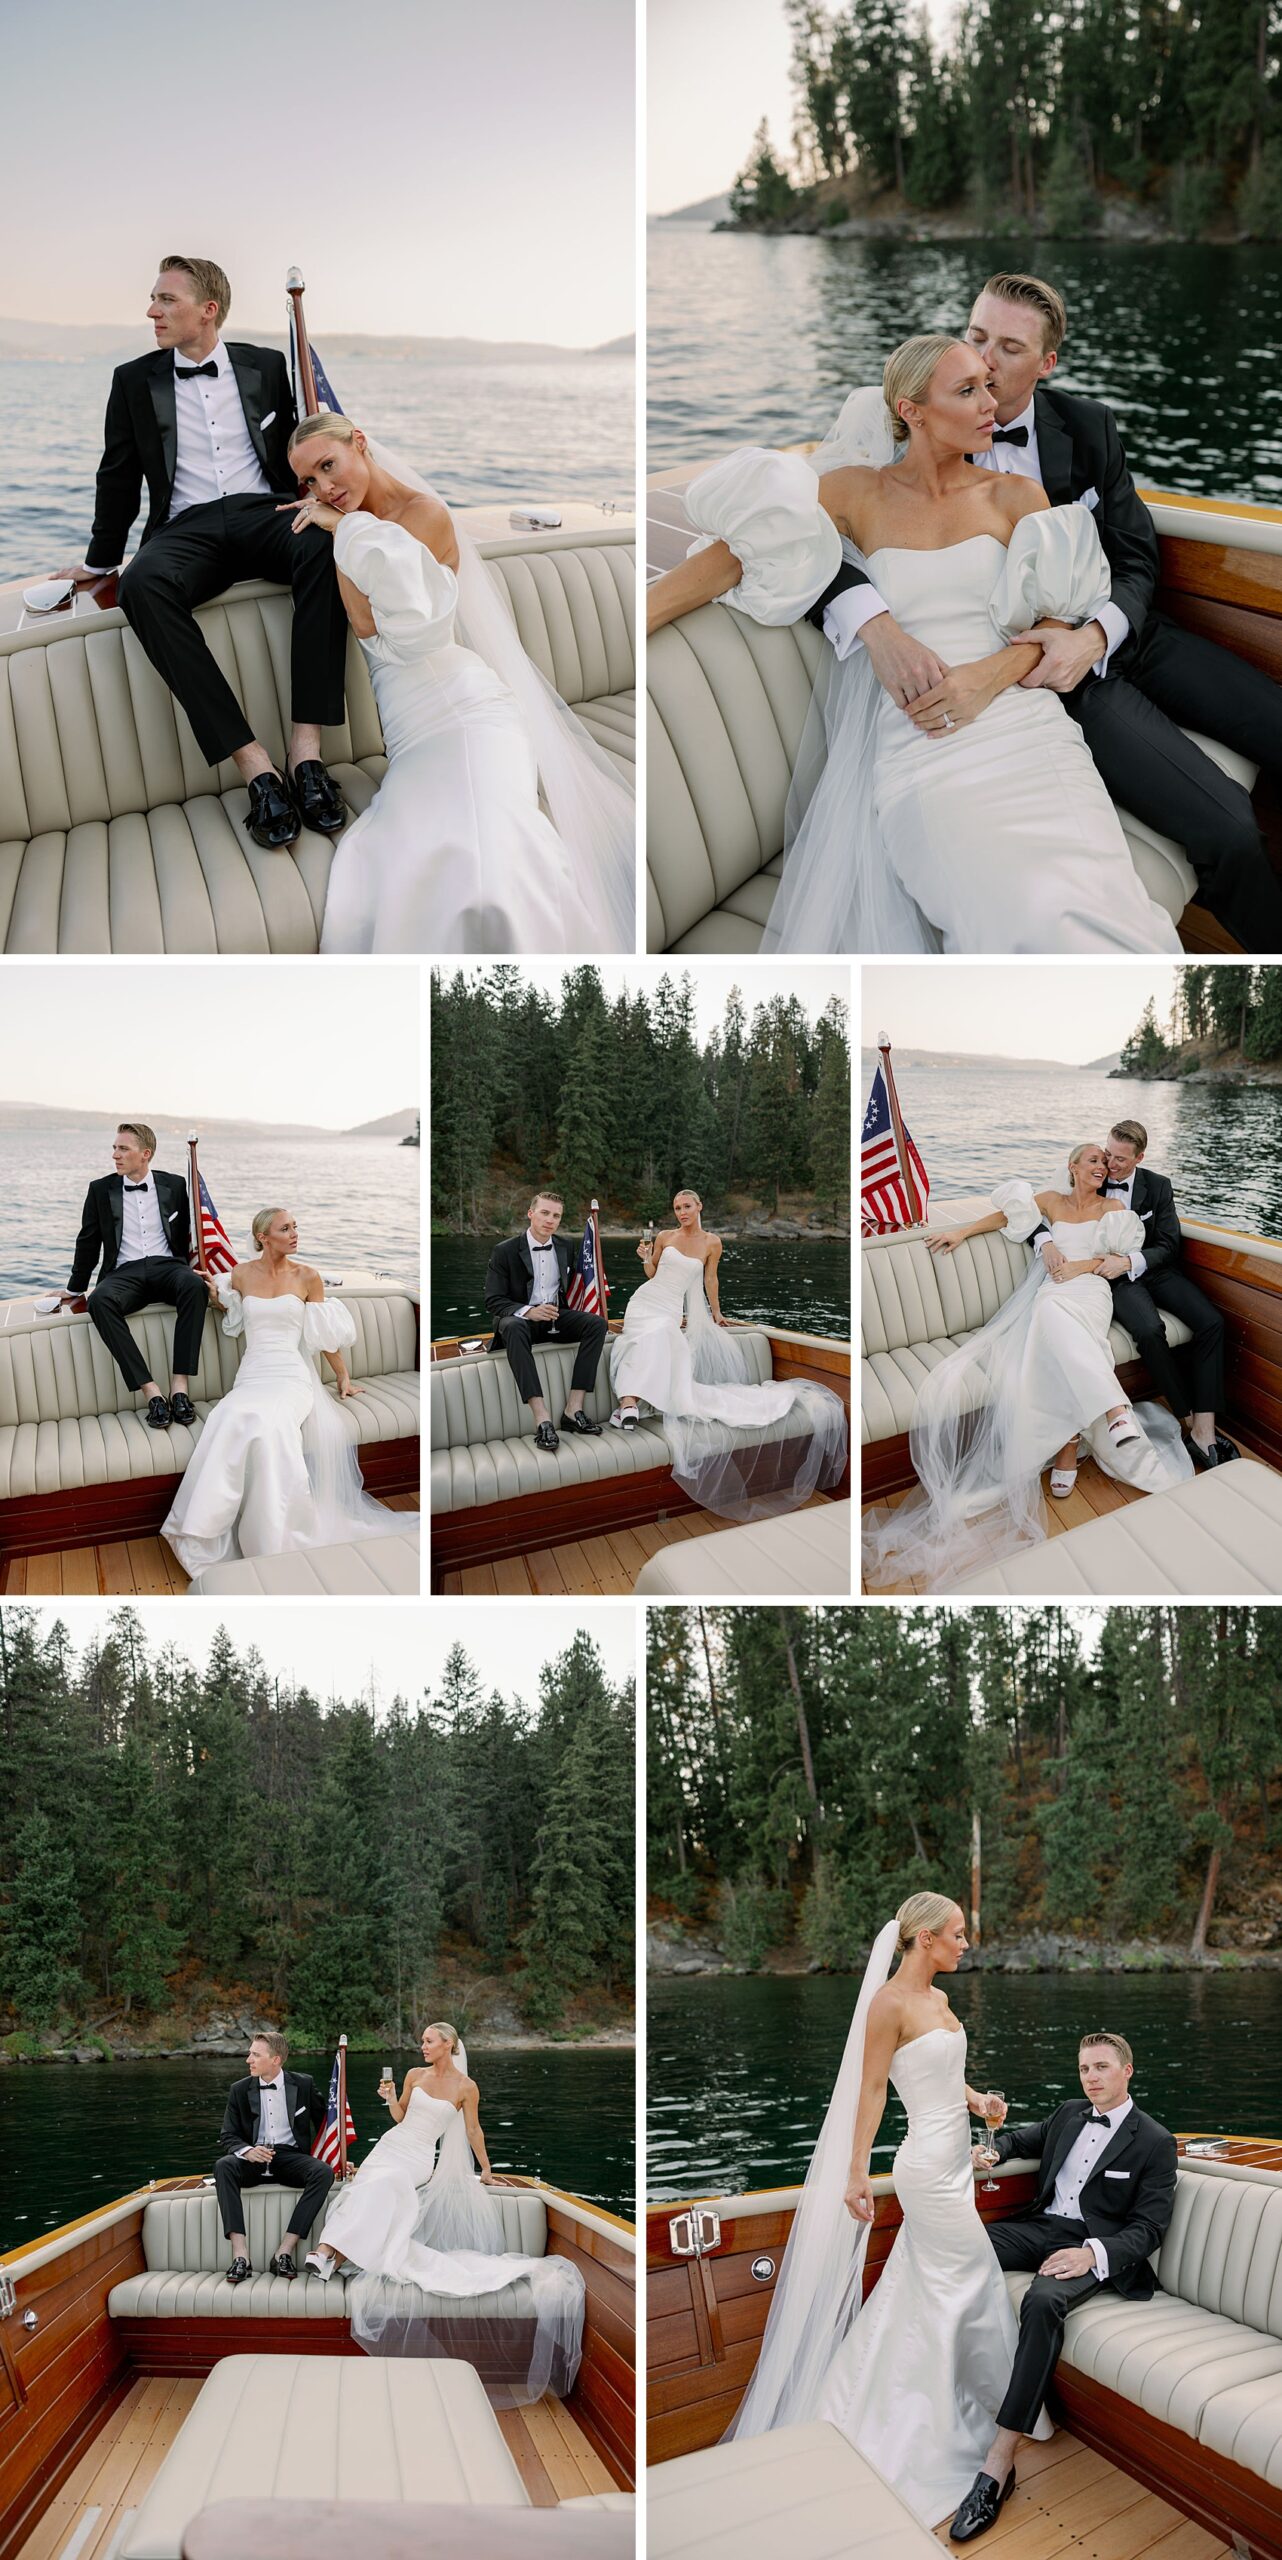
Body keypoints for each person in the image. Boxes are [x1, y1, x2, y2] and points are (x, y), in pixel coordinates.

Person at [647, 336, 1181, 957]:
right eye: (968, 391)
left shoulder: (1015, 496)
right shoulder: (854, 493)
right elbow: (741, 554)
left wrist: (985, 678)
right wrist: (643, 617)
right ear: (912, 411)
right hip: (925, 740)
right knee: (1015, 915)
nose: (991, 402)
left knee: (1106, 903)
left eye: (988, 385)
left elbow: (1056, 626)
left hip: (1028, 733)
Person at [813, 274, 1282, 955]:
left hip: (1122, 632)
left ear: (1046, 363)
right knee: (1229, 829)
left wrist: (1097, 634)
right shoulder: (904, 434)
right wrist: (875, 625)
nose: (985, 360)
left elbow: (1135, 556)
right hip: (1051, 681)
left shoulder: (1088, 426)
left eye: (1009, 348)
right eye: (976, 337)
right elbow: (806, 550)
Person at [725, 1893, 1052, 2529]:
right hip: (925, 2169)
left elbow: (941, 2076)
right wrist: (856, 2173)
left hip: (957, 2163)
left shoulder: (941, 2000)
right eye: (958, 1934)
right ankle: (965, 2427)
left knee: (933, 2287)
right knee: (974, 2277)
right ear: (926, 1938)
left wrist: (977, 2101)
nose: (966, 1944)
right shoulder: (887, 2004)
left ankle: (972, 2406)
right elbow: (872, 2090)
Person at [280, 413, 635, 953]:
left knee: (489, 862)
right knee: (411, 856)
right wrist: (345, 530)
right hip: (410, 735)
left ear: (359, 443)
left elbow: (386, 633)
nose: (323, 489)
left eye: (328, 466)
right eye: (309, 481)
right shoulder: (355, 530)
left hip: (467, 712)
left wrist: (345, 529)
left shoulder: (422, 516)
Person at [75, 257, 349, 850]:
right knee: (142, 584)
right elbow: (117, 475)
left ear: (208, 310)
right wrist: (99, 563)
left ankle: (306, 754)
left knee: (324, 547)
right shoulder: (132, 380)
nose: (151, 311)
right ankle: (255, 766)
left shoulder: (267, 365)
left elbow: (302, 446)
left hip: (264, 512)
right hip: (186, 527)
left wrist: (327, 500)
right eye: (154, 299)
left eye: (166, 300)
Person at [863, 1142, 1192, 1591]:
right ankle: (1107, 1416)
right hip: (1053, 1293)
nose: (1102, 1166)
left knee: (1061, 1328)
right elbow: (1004, 1216)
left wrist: (1081, 1266)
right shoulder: (1050, 1202)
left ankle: (1084, 1434)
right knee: (1052, 1316)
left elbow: (1115, 1263)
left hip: (1091, 1292)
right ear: (1072, 1167)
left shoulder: (1114, 1209)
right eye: (1093, 1160)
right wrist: (963, 1233)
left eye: (1104, 1162)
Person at [950, 2031, 1177, 2541]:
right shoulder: (1069, 2113)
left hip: (1095, 2247)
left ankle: (1000, 2460)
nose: (1091, 2078)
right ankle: (946, 2390)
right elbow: (1017, 2141)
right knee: (957, 2247)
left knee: (1042, 2300)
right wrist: (987, 2151)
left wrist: (1091, 2254)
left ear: (1127, 2071)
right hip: (1041, 2227)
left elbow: (1149, 2229)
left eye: (1101, 2067)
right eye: (1084, 2069)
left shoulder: (1155, 2141)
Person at [303, 2022, 585, 2399]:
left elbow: (473, 2131)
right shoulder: (414, 2075)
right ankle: (330, 2258)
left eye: (428, 2040)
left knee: (384, 2184)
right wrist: (390, 2097)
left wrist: (486, 2170)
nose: (422, 2046)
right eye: (422, 2041)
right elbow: (401, 2117)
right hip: (390, 2147)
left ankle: (327, 2252)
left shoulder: (466, 2087)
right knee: (370, 2185)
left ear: (447, 2044)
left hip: (418, 2158)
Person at [160, 1206, 403, 1577]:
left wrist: (343, 1377)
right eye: (285, 1228)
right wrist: (215, 1294)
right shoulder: (241, 1274)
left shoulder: (308, 1277)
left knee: (270, 1425)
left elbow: (323, 1337)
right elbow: (232, 1311)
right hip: (253, 1373)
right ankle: (206, 1530)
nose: (294, 1234)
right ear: (263, 1237)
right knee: (229, 1416)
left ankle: (276, 1535)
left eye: (295, 1227)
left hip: (291, 1375)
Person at [609, 1188, 847, 1517]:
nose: (682, 1212)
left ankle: (628, 1404)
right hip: (645, 1302)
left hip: (669, 1309)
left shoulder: (712, 1243)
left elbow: (710, 1280)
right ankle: (629, 1404)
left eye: (687, 1206)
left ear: (699, 1206)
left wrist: (717, 1313)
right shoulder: (664, 1237)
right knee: (653, 1335)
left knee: (663, 1334)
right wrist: (645, 1258)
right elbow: (652, 1274)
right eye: (677, 1208)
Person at [1053, 1119, 1236, 1475]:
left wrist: (1130, 1261)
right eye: (1108, 1154)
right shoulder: (1093, 1178)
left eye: (1120, 1159)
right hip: (1116, 1280)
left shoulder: (1158, 1185)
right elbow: (1054, 1211)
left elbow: (1169, 1244)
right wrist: (1047, 1243)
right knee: (1150, 1331)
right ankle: (1187, 1418)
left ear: (1139, 1158)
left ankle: (1205, 1427)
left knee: (1212, 1322)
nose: (1110, 1164)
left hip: (1155, 1269)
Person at [64, 1122, 214, 1430]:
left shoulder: (175, 1185)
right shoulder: (100, 1189)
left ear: (145, 1154)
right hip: (124, 1272)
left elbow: (191, 1232)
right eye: (114, 1148)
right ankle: (152, 1392)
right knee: (100, 1301)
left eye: (123, 1149)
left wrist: (204, 1270)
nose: (115, 1155)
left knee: (194, 1286)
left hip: (167, 1266)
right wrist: (75, 1288)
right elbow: (88, 1241)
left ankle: (180, 1387)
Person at [485, 1192, 609, 1453]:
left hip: (554, 1318)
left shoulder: (565, 1246)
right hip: (519, 1321)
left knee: (596, 1324)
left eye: (556, 1215)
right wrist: (529, 1311)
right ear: (531, 1213)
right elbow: (493, 1300)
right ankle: (542, 1419)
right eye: (544, 1213)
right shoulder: (504, 1250)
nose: (550, 1220)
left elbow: (570, 1288)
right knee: (514, 1326)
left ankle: (573, 1409)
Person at [214, 2029, 332, 2283]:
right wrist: (248, 2151)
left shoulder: (303, 2084)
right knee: (224, 2166)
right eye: (250, 2054)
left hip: (290, 2157)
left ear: (276, 2059)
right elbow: (228, 2135)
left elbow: (327, 2123)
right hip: (253, 2158)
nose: (249, 2060)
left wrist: (340, 2158)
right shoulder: (239, 2090)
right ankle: (240, 2257)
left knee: (323, 2172)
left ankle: (283, 2252)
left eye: (256, 2055)